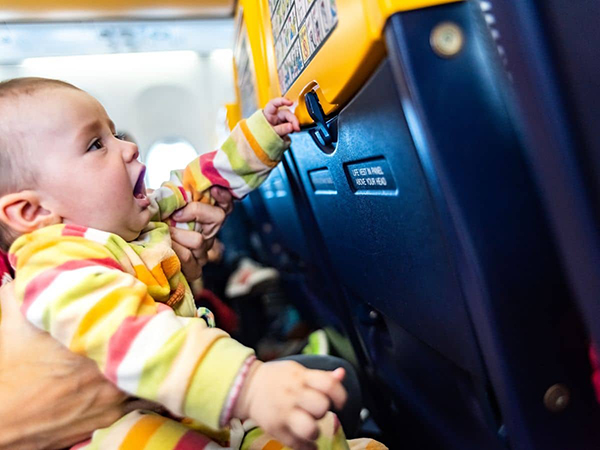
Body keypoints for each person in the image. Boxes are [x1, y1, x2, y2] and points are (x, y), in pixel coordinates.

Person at [0, 77, 373, 450]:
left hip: (192, 401)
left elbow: (197, 186)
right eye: (96, 144)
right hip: (126, 427)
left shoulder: (130, 220)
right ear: (33, 211)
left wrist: (261, 136)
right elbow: (140, 340)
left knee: (318, 429)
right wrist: (250, 387)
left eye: (116, 134)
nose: (129, 148)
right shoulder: (57, 268)